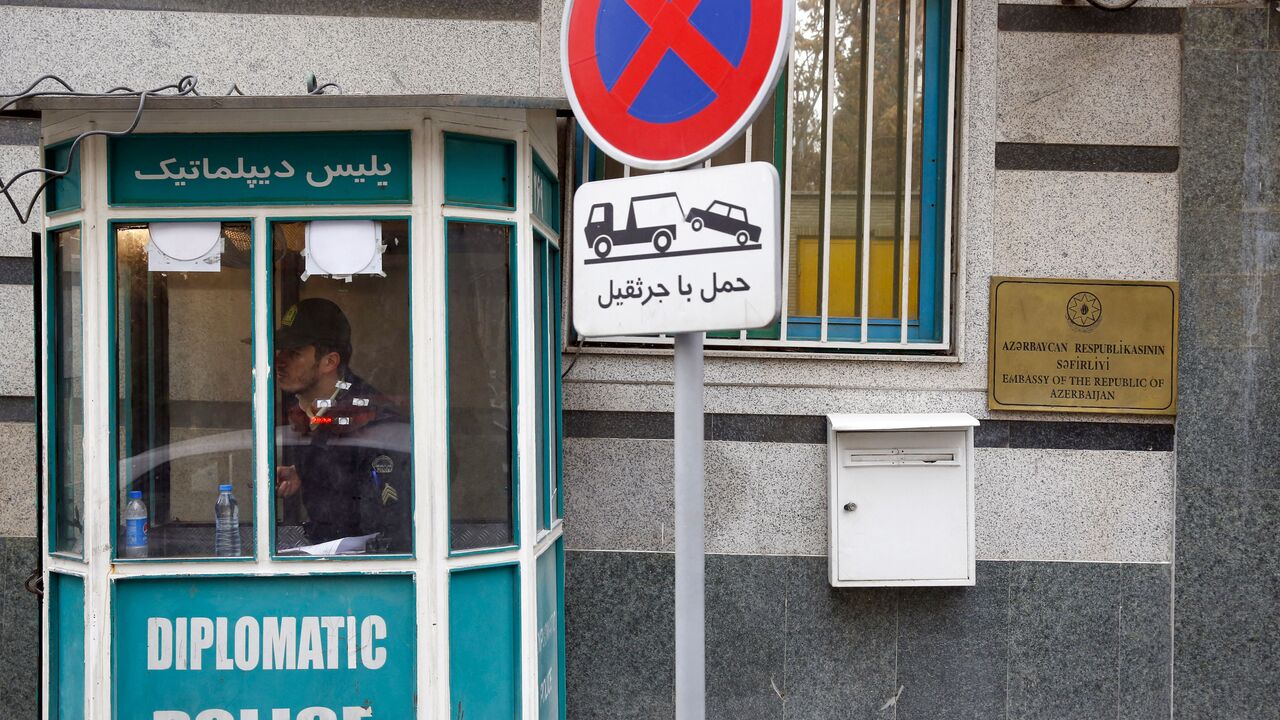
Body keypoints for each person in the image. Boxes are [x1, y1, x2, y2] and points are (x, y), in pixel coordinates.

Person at [273, 297, 411, 552]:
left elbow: (385, 526)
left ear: (329, 362)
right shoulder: (307, 409)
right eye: (279, 350)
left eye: (293, 353)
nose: (280, 361)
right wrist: (305, 473)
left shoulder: (369, 417)